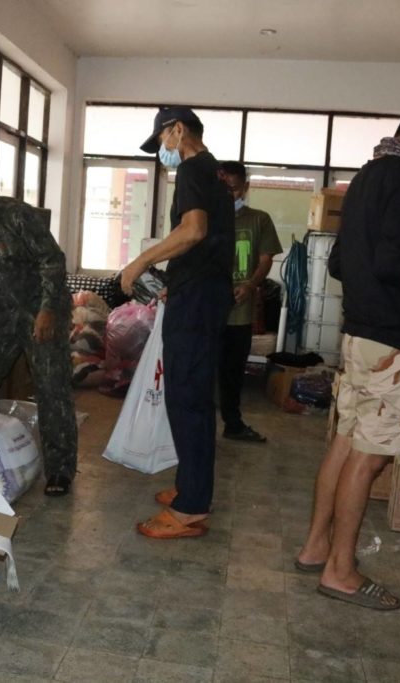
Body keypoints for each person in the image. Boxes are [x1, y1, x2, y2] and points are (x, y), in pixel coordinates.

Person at [294, 94, 400, 610]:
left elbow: (340, 263)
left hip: (359, 336)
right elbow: (397, 264)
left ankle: (316, 547)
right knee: (369, 458)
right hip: (394, 342)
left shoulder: (366, 177)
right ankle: (340, 571)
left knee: (346, 444)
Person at [120, 106, 234, 539]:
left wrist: (139, 262)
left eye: (162, 141)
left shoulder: (192, 169)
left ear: (178, 130)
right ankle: (192, 487)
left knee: (187, 398)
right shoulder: (215, 173)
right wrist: (175, 281)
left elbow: (193, 232)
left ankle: (191, 507)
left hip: (198, 301)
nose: (162, 151)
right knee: (194, 396)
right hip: (204, 293)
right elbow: (208, 244)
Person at [0, 164, 79, 497]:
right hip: (3, 312)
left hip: (42, 308)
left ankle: (60, 471)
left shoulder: (13, 214)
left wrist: (48, 310)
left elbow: (52, 260)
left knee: (51, 388)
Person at [216, 161, 283, 442]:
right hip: (209, 312)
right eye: (223, 189)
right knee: (201, 372)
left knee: (232, 374)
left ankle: (233, 423)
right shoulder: (206, 218)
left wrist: (250, 284)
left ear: (245, 187)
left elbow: (266, 259)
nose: (228, 195)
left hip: (240, 314)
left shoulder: (259, 220)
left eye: (233, 189)